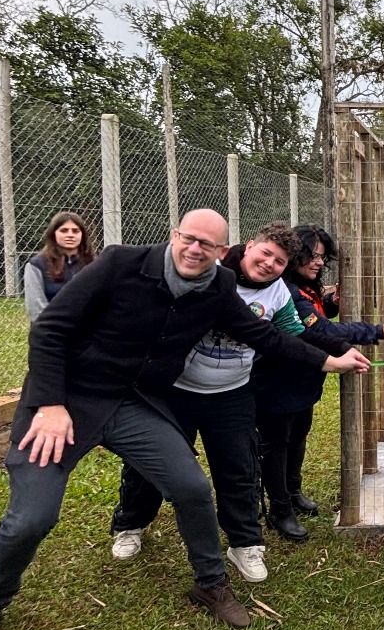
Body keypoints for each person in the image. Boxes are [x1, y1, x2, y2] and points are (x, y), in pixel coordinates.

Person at [0, 209, 369, 630]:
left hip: (131, 403)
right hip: (66, 401)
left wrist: (327, 359)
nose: (196, 249)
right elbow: (49, 330)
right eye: (190, 238)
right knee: (32, 519)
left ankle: (210, 583)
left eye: (207, 244)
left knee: (191, 487)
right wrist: (48, 404)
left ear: (222, 251)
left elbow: (264, 335)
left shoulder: (219, 286)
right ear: (175, 235)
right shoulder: (120, 264)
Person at [109, 223, 352, 583]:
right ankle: (130, 525)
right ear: (249, 246)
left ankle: (245, 544)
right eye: (265, 253)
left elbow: (295, 335)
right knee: (149, 463)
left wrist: (341, 350)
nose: (269, 264)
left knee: (240, 469)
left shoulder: (280, 294)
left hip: (233, 392)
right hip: (177, 389)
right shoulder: (212, 277)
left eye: (280, 261)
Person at [250, 224, 384, 541]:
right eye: (313, 255)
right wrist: (373, 331)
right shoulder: (288, 291)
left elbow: (320, 314)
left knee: (298, 436)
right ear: (295, 256)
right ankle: (280, 510)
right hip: (277, 383)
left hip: (303, 381)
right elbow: (321, 331)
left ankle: (293, 492)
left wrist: (332, 301)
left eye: (322, 256)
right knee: (276, 446)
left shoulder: (306, 289)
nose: (319, 262)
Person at [23, 211, 96, 321]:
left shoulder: (95, 264)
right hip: (50, 330)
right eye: (64, 231)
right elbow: (36, 309)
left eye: (75, 231)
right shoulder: (36, 265)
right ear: (53, 234)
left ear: (82, 235)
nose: (70, 235)